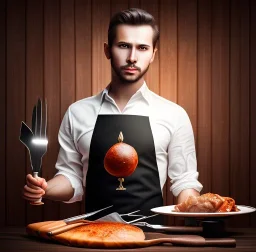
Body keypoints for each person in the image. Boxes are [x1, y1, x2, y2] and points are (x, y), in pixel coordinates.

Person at [23, 8, 203, 223]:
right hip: (93, 235)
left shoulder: (174, 114)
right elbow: (72, 178)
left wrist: (201, 209)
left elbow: (183, 181)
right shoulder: (78, 112)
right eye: (124, 46)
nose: (132, 57)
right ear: (108, 50)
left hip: (151, 238)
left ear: (153, 54)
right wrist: (44, 188)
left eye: (142, 48)